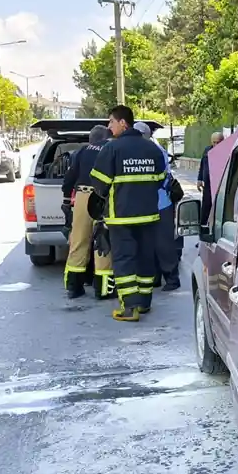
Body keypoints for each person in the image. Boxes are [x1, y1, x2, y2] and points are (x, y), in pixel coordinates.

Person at [90, 105, 167, 322]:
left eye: (111, 122)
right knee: (144, 258)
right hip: (149, 215)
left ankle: (129, 307)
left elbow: (99, 184)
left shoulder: (112, 149)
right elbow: (162, 179)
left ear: (123, 123)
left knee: (124, 260)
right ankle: (143, 303)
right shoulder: (152, 149)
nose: (109, 126)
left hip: (121, 216)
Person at [63, 125, 115, 299]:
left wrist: (66, 202)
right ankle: (103, 289)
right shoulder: (111, 149)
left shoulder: (82, 151)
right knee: (103, 242)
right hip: (104, 197)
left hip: (82, 196)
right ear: (108, 137)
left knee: (78, 240)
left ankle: (74, 287)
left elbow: (69, 178)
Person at [134, 121, 184, 291]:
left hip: (160, 202)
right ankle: (155, 277)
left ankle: (171, 278)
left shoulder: (155, 151)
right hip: (150, 203)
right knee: (150, 242)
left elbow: (161, 177)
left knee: (163, 243)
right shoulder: (145, 150)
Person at [197, 131, 224, 223]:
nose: (216, 144)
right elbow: (202, 165)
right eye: (214, 142)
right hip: (208, 183)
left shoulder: (226, 151)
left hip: (219, 184)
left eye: (218, 142)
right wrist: (199, 179)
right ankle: (203, 226)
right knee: (206, 205)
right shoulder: (207, 150)